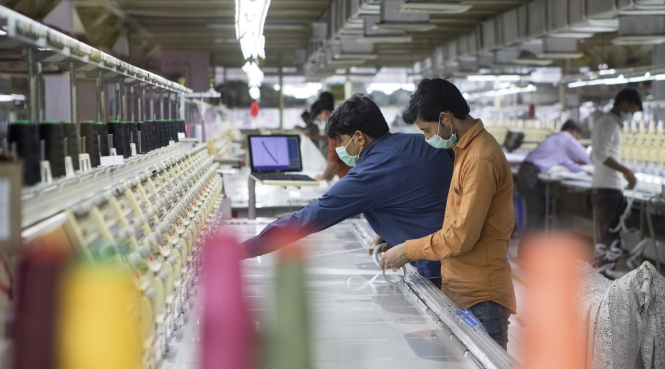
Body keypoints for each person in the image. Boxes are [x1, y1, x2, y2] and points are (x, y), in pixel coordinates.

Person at [242, 94, 449, 287]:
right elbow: (422, 198)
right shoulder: (419, 142)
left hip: (440, 271)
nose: (339, 147)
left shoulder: (369, 174)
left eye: (340, 140)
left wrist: (240, 250)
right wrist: (392, 232)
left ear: (359, 137)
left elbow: (307, 219)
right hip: (462, 254)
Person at [379, 78, 516, 350]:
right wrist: (400, 237)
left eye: (427, 130)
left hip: (481, 298)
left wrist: (408, 249)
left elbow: (461, 236)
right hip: (461, 290)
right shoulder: (464, 151)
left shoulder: (479, 159)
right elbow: (453, 221)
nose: (427, 138)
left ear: (445, 118)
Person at [590, 88, 641, 271]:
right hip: (608, 190)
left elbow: (593, 156)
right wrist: (627, 171)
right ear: (624, 104)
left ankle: (601, 282)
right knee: (610, 241)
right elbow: (600, 154)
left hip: (602, 187)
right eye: (632, 110)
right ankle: (604, 285)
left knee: (605, 239)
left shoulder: (601, 122)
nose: (632, 115)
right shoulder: (611, 124)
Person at [514, 119, 589, 231]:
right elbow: (586, 156)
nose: (577, 138)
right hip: (530, 173)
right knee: (536, 211)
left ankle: (534, 244)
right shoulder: (566, 137)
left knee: (537, 211)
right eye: (577, 134)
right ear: (569, 130)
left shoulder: (557, 140)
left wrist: (586, 172)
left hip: (527, 171)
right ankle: (528, 246)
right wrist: (604, 163)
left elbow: (568, 163)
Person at [311, 94, 352, 181]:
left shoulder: (334, 127)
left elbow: (333, 158)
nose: (321, 121)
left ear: (324, 113)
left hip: (350, 175)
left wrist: (323, 176)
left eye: (320, 119)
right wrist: (332, 172)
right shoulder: (342, 122)